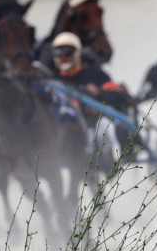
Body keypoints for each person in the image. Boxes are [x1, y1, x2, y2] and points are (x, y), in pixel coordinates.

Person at [51, 32, 134, 164]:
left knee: (105, 129)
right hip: (68, 127)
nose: (63, 57)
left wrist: (98, 93)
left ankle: (117, 164)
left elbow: (118, 96)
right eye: (58, 53)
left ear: (77, 53)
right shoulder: (53, 81)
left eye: (68, 51)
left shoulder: (95, 75)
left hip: (97, 123)